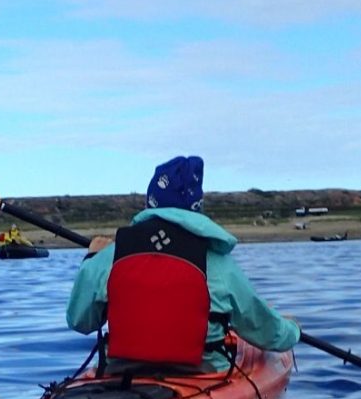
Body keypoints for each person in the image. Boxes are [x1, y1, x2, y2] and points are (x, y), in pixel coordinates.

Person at [66, 155, 300, 373]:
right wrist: (291, 330)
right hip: (201, 373)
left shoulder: (110, 256)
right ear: (197, 205)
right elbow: (265, 332)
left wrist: (91, 259)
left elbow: (79, 321)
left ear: (151, 202)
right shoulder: (219, 264)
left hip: (120, 371)